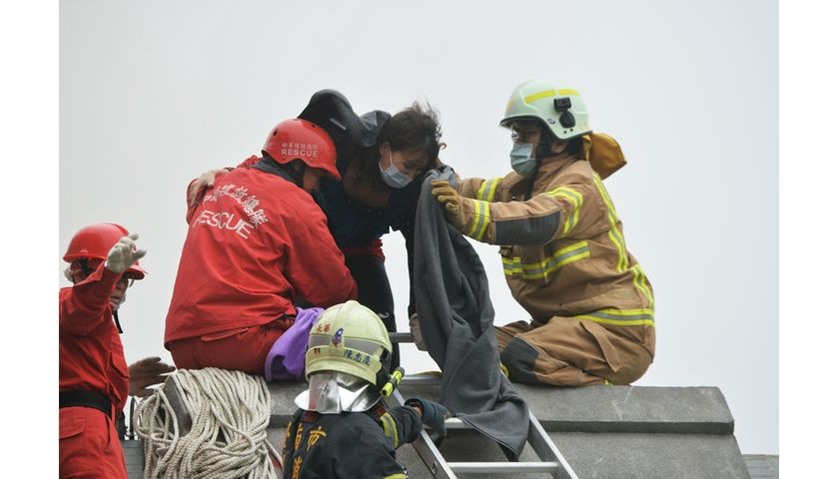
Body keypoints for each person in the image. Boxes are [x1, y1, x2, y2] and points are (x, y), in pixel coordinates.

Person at [188, 91, 445, 369]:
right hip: (305, 248)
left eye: (417, 171)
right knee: (305, 327)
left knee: (377, 327)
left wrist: (420, 309)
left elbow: (422, 249)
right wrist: (230, 173)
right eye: (407, 166)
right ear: (384, 147)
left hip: (360, 252)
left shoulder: (411, 192)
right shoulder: (346, 143)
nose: (408, 176)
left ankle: (381, 389)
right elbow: (279, 161)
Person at [431, 79, 655, 387]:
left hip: (614, 334)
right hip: (561, 328)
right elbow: (483, 191)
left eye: (527, 133)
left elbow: (538, 219)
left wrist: (463, 211)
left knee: (520, 356)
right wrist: (440, 176)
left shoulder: (580, 183)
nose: (518, 142)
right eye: (516, 133)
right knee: (474, 347)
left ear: (560, 141)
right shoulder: (526, 184)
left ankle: (596, 389)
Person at [164, 118, 358, 379]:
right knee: (344, 333)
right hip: (244, 341)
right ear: (298, 166)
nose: (316, 187)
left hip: (183, 345)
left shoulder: (217, 185)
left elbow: (195, 193)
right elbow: (334, 291)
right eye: (317, 177)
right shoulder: (298, 204)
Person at [281, 300, 448, 479]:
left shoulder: (305, 415)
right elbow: (362, 439)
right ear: (380, 362)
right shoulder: (359, 435)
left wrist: (415, 413)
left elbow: (371, 433)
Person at [60, 223, 175, 479]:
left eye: (125, 277)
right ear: (79, 271)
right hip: (83, 435)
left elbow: (77, 370)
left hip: (97, 431)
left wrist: (124, 381)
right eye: (116, 274)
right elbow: (80, 311)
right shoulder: (70, 303)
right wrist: (107, 273)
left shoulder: (98, 323)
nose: (120, 284)